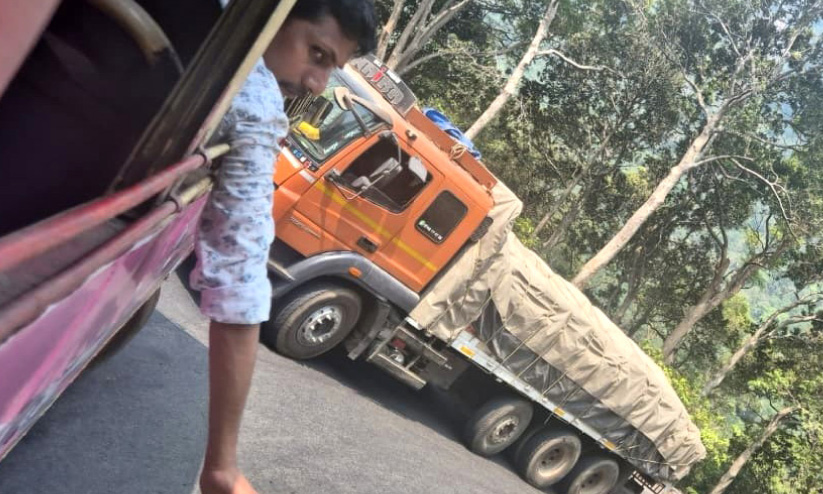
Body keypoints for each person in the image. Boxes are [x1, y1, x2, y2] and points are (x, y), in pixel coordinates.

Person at [190, 2, 377, 493]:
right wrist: (222, 467)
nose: (317, 83)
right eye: (316, 53)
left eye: (330, 67)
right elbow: (240, 281)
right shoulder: (253, 99)